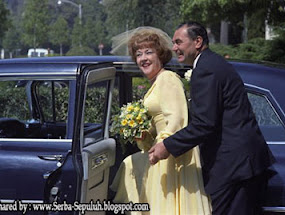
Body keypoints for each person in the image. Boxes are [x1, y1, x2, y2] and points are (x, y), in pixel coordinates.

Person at [149, 21, 275, 215]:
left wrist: (167, 146)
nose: (174, 48)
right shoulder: (212, 63)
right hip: (241, 162)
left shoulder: (206, 69)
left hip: (234, 166)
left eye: (179, 42)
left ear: (197, 41)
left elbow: (204, 124)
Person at [110, 27, 212, 214]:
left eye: (149, 52)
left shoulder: (167, 78)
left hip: (172, 153)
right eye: (139, 54)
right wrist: (142, 133)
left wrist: (163, 144)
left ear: (160, 55)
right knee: (129, 164)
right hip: (162, 148)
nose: (143, 58)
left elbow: (177, 118)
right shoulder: (156, 82)